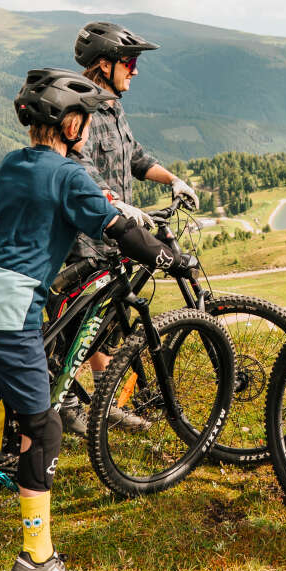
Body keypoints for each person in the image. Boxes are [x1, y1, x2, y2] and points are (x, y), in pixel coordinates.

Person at [0, 68, 194, 571]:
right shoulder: (70, 176)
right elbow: (116, 228)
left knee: (20, 378)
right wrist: (166, 257)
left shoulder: (13, 163)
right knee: (49, 429)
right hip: (8, 306)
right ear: (73, 123)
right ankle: (37, 561)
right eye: (84, 119)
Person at [56, 21, 200, 434]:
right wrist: (115, 201)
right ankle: (70, 405)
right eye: (129, 62)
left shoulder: (114, 107)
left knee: (106, 323)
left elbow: (135, 156)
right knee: (82, 324)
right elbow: (80, 168)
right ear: (104, 65)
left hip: (114, 232)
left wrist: (172, 180)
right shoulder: (81, 111)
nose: (135, 70)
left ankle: (102, 404)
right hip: (87, 237)